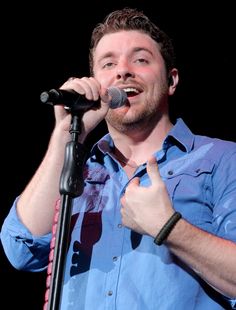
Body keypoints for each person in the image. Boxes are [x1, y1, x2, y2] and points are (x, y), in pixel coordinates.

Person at [1, 7, 236, 310]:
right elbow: (21, 250)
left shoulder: (222, 159)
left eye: (140, 59)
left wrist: (169, 228)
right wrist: (65, 135)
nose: (122, 71)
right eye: (108, 63)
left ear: (172, 80)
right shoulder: (77, 174)